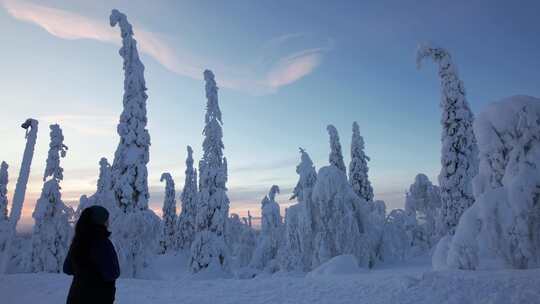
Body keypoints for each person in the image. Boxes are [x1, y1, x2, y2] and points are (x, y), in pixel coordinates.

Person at [63, 206, 120, 304]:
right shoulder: (103, 243)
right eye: (107, 219)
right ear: (101, 222)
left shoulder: (79, 241)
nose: (108, 222)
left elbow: (67, 268)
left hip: (75, 298)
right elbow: (113, 273)